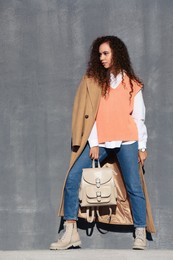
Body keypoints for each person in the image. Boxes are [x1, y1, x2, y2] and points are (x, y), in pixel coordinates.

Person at [50, 36, 148, 250]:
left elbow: (138, 117)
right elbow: (90, 115)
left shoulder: (132, 83)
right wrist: (93, 143)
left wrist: (142, 147)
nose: (102, 57)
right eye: (100, 54)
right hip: (101, 140)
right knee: (73, 176)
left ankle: (140, 232)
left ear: (117, 53)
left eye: (106, 53)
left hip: (127, 139)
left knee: (134, 187)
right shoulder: (94, 81)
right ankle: (71, 232)